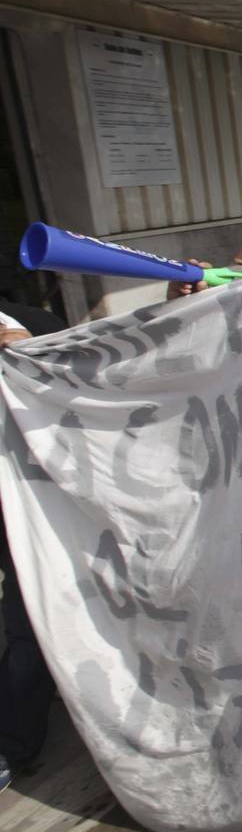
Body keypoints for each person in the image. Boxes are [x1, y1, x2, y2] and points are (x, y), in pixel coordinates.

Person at [0, 301, 67, 793]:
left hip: (48, 505)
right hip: (12, 510)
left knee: (34, 625)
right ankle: (14, 740)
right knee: (23, 631)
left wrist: (36, 358)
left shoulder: (35, 323)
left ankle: (14, 743)